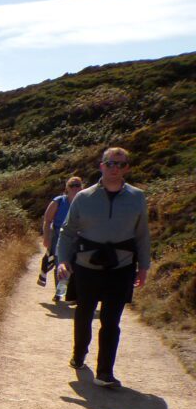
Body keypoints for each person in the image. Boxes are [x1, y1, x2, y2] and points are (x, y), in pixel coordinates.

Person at [56, 147, 151, 388]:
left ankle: (105, 372)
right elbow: (67, 232)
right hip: (87, 266)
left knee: (111, 320)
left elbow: (142, 234)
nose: (114, 168)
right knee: (84, 313)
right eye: (110, 163)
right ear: (101, 166)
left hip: (122, 267)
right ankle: (79, 355)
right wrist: (63, 261)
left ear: (127, 168)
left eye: (120, 164)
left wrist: (144, 266)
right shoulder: (84, 197)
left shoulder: (137, 197)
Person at [38, 177, 84, 300]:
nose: (76, 187)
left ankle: (74, 294)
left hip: (79, 238)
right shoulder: (59, 201)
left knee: (78, 265)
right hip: (60, 237)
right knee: (60, 264)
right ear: (67, 188)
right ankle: (60, 292)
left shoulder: (85, 201)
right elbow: (47, 220)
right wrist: (46, 237)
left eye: (78, 185)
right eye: (73, 185)